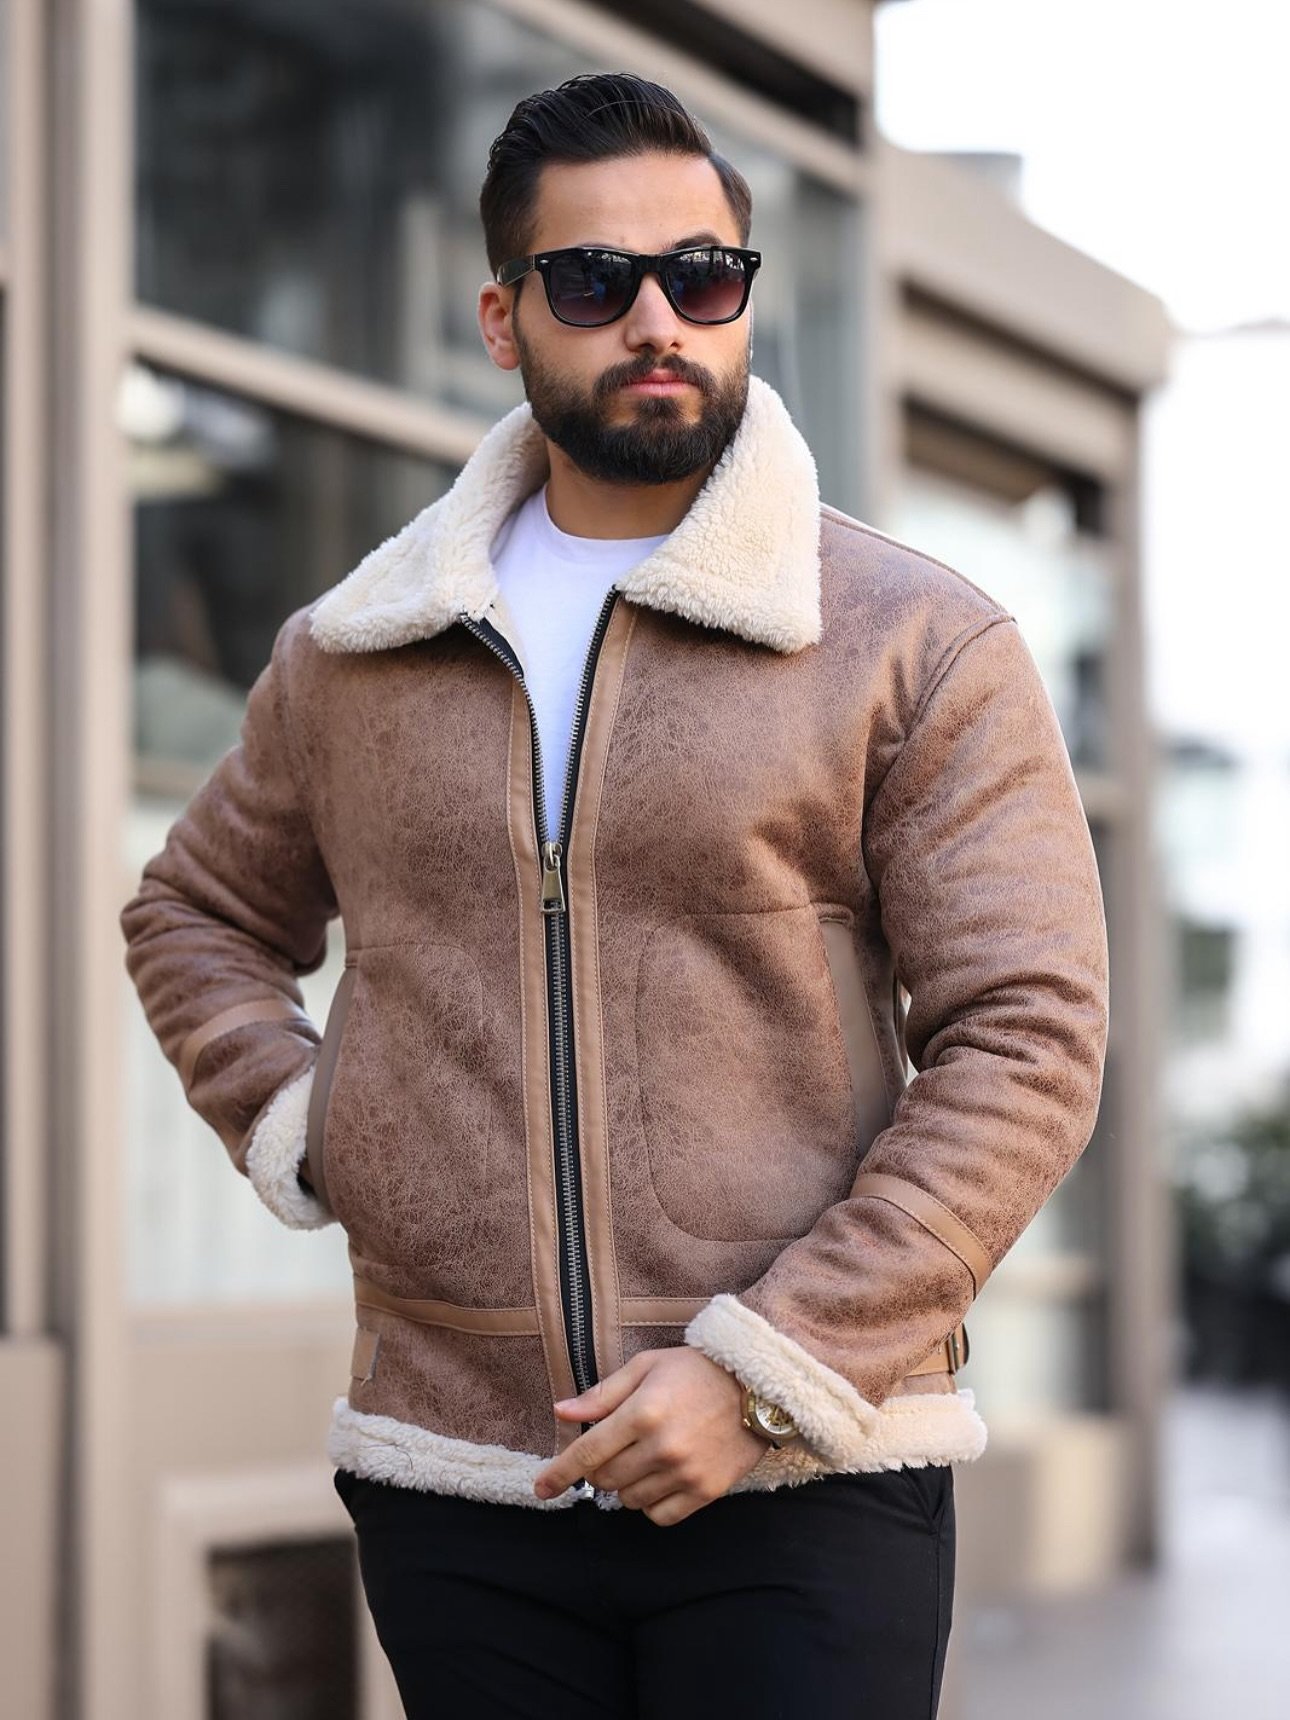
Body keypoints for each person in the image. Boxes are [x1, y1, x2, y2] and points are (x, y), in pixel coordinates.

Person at [120, 71, 1109, 1720]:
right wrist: (314, 1122)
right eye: (593, 281)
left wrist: (767, 1370)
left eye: (701, 276)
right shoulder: (359, 650)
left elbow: (1029, 1041)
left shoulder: (908, 641)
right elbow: (193, 914)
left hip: (807, 1475)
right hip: (462, 1478)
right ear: (501, 317)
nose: (657, 319)